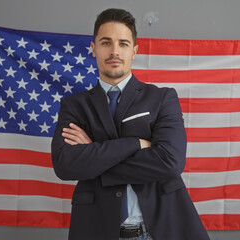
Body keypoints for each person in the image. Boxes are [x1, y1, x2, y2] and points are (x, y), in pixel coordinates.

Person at [51, 8, 210, 240]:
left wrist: (95, 156)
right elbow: (65, 165)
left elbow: (170, 161)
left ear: (134, 51)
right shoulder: (74, 106)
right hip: (98, 230)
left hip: (163, 228)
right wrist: (135, 143)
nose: (114, 51)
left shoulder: (162, 98)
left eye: (123, 43)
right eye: (106, 42)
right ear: (94, 48)